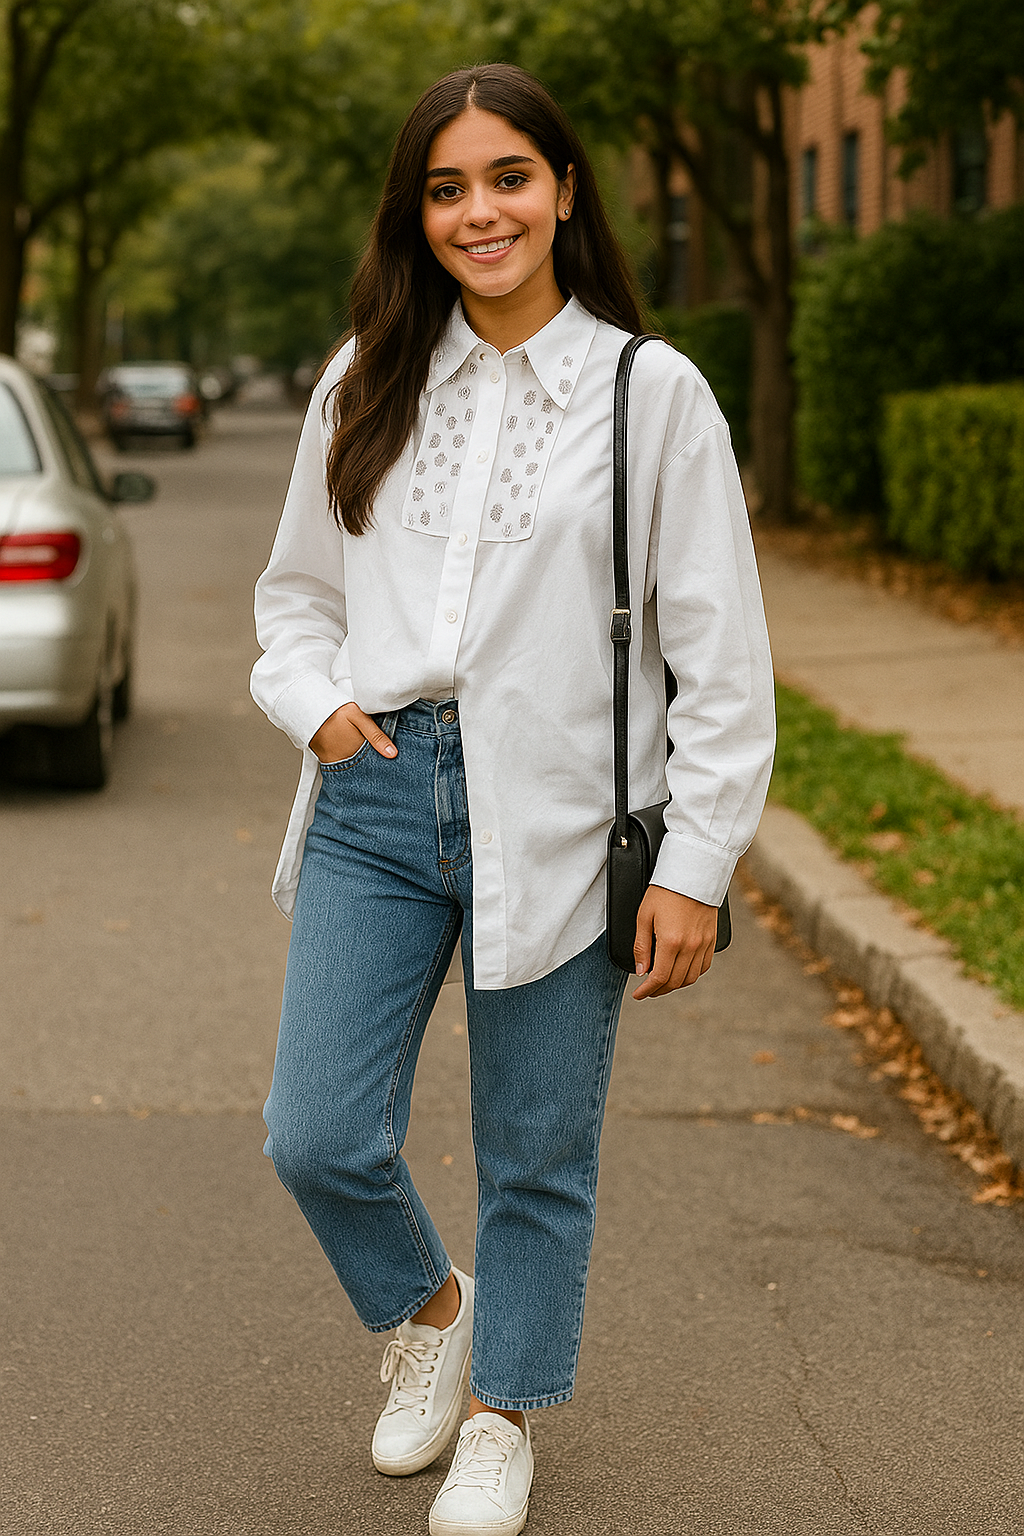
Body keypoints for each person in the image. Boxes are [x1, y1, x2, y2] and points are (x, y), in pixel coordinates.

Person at [250, 61, 774, 1536]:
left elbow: (722, 657)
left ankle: (504, 1414)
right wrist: (321, 709)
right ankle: (433, 1314)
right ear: (415, 215)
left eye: (508, 177)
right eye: (447, 188)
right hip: (378, 793)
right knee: (316, 1131)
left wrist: (699, 863)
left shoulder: (648, 393)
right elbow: (295, 598)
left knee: (535, 1152)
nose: (480, 212)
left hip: (561, 814)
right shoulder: (364, 379)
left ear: (563, 191)